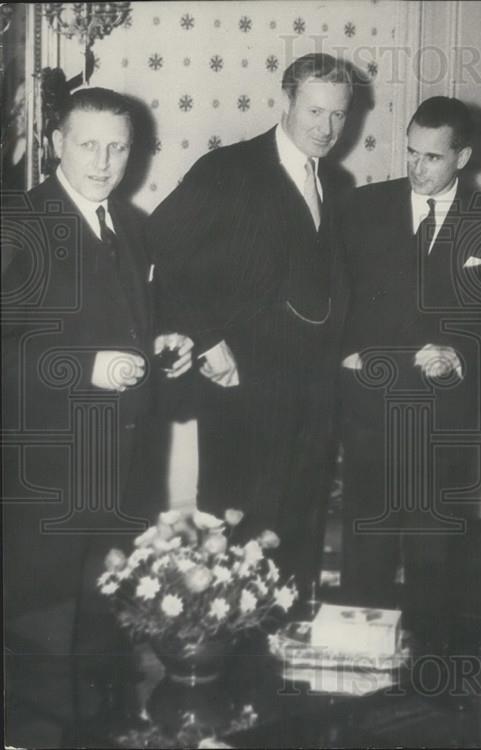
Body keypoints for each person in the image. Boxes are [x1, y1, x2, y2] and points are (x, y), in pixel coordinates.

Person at [1, 86, 192, 740]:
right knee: (45, 661)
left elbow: (131, 323)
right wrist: (83, 369)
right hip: (49, 488)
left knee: (110, 651)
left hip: (126, 483)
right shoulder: (18, 224)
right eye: (89, 144)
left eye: (118, 147)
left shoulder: (132, 225)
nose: (104, 161)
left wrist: (161, 342)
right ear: (57, 144)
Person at [147, 54, 354, 593]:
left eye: (338, 115)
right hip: (242, 390)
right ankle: (231, 655)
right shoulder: (227, 170)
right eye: (314, 111)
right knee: (238, 525)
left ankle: (287, 640)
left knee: (301, 521)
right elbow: (160, 251)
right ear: (284, 102)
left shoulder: (338, 180)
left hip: (314, 393)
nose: (326, 127)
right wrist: (208, 338)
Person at [336, 96, 481, 653]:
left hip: (444, 418)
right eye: (410, 152)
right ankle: (358, 667)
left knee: (437, 551)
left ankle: (435, 670)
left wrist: (458, 351)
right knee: (367, 545)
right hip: (371, 409)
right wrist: (348, 350)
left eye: (432, 156)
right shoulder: (362, 207)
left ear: (463, 157)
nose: (417, 167)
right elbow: (334, 294)